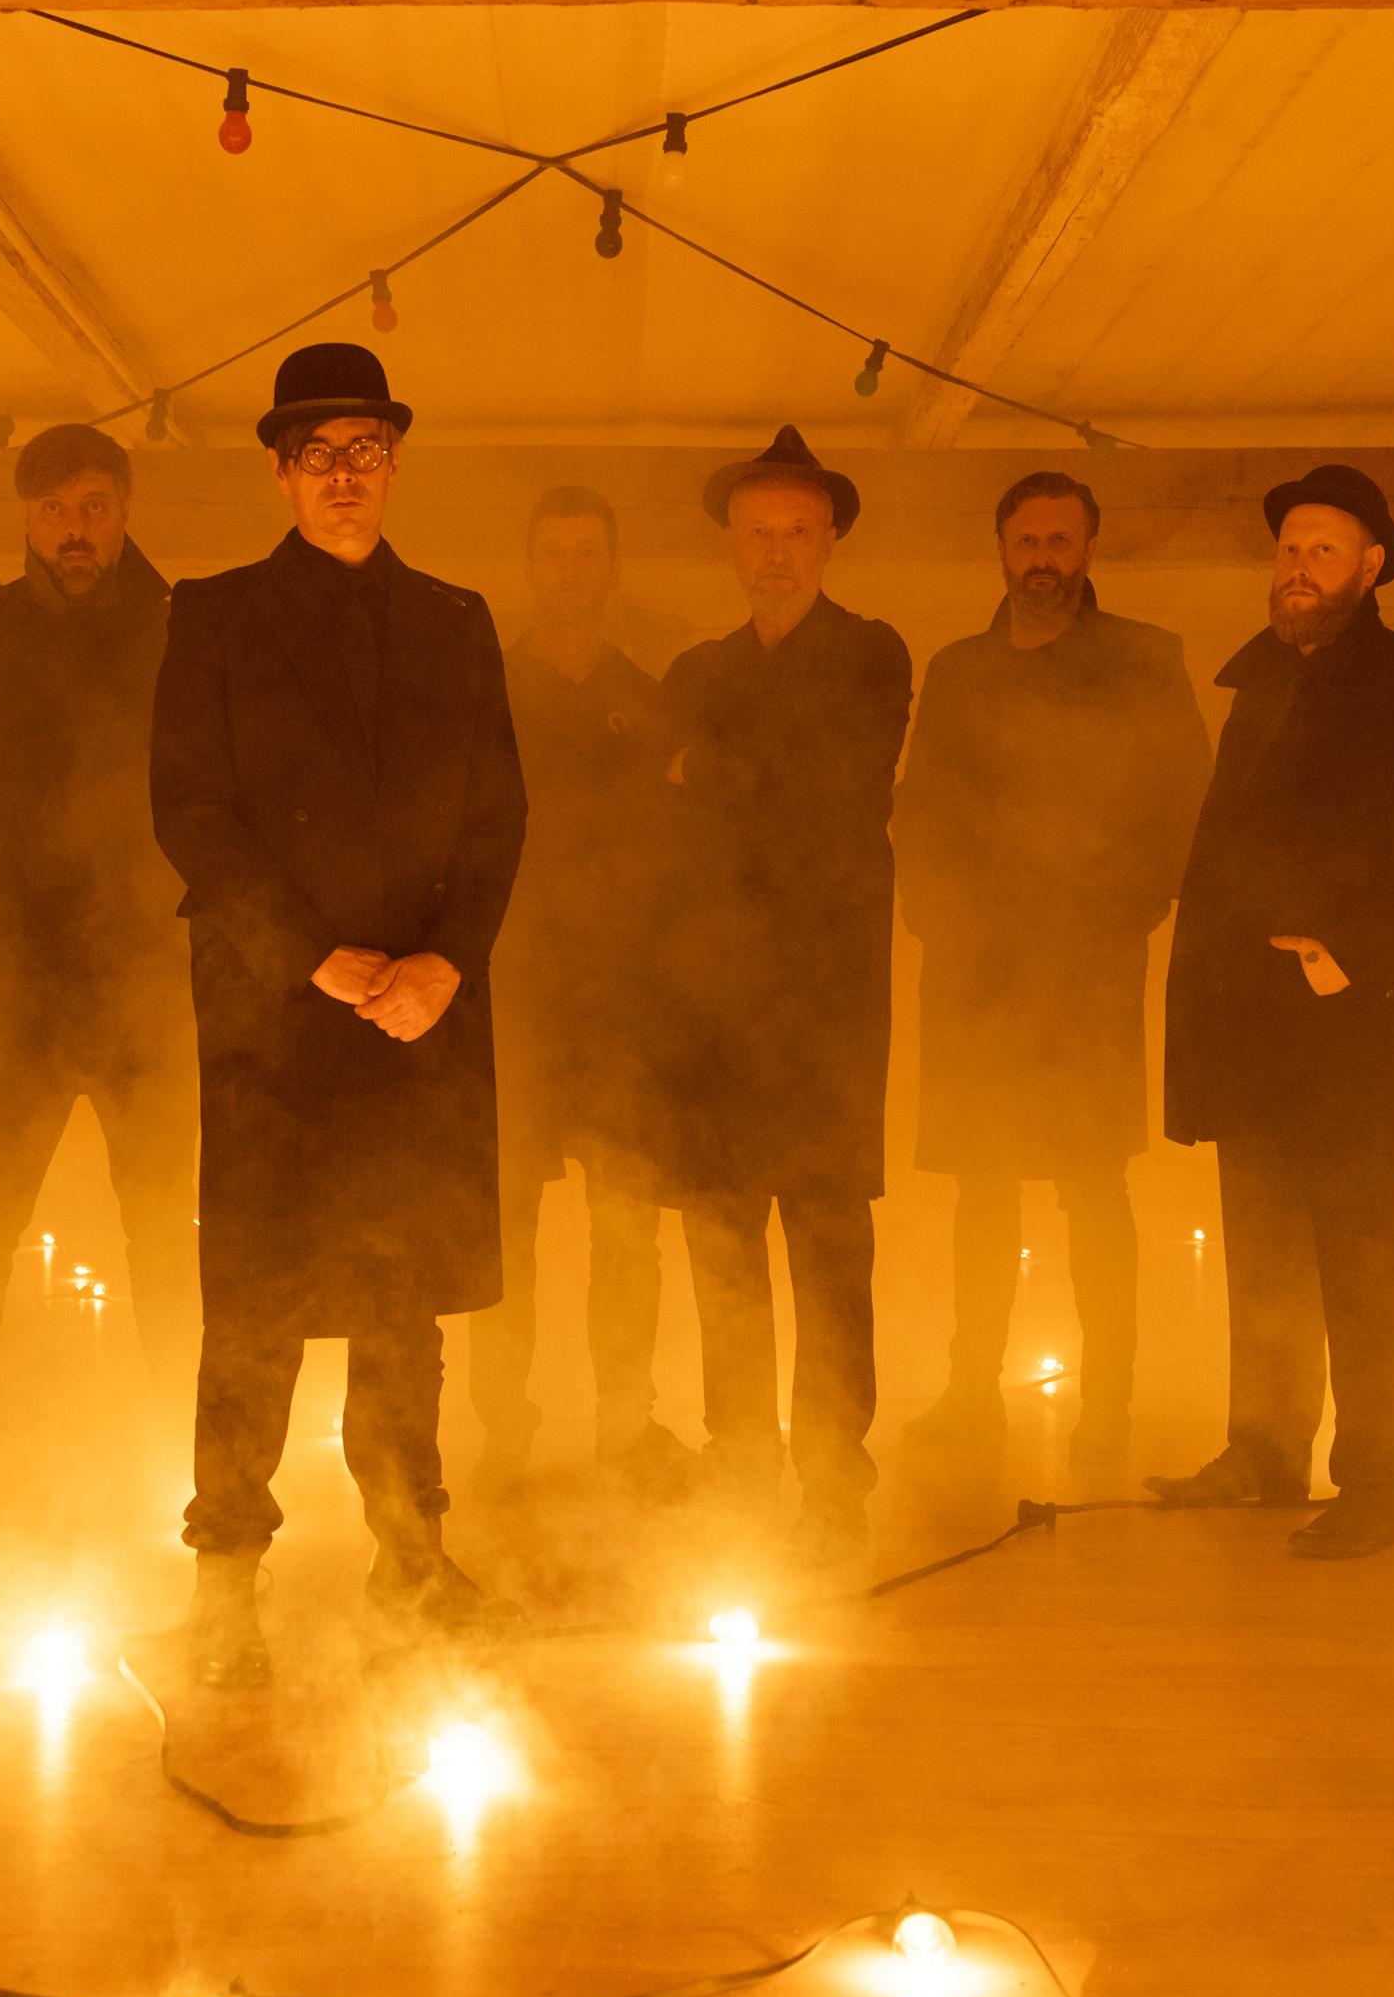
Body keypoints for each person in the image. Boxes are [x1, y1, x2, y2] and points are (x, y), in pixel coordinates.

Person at [149, 343, 529, 1689]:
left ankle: (411, 1557)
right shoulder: (215, 615)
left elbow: (495, 816)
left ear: (393, 462)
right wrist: (310, 957)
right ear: (279, 472)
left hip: (419, 1011)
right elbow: (190, 810)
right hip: (273, 1014)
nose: (343, 474)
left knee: (400, 1301)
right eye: (317, 454)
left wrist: (446, 964)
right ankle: (222, 1589)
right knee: (253, 1304)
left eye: (364, 450)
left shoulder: (453, 619)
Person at [1146, 464, 1394, 1560]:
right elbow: (1223, 858)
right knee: (1263, 1255)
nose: (1299, 567)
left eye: (1323, 550)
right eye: (1290, 549)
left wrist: (1352, 959)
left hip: (1344, 1021)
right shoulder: (1256, 684)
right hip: (1244, 1018)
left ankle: (1378, 1485)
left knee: (1362, 1259)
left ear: (1371, 566)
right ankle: (1262, 1453)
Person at [0, 424, 195, 1513]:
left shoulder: (180, 632)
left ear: (123, 513)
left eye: (95, 508)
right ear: (26, 517)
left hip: (148, 986)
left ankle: (203, 1477)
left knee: (166, 1232)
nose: (76, 531)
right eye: (56, 511)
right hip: (13, 984)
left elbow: (222, 800)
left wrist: (207, 942)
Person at [896, 471, 1209, 1489]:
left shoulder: (1142, 661)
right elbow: (921, 807)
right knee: (981, 1191)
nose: (1042, 558)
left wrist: (1127, 908)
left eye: (1058, 540)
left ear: (1087, 548)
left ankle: (1107, 1404)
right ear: (1001, 549)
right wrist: (935, 914)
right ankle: (968, 1393)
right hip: (976, 968)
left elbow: (1182, 803)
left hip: (1085, 968)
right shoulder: (957, 670)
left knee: (1092, 1187)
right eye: (1026, 540)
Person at [655, 427, 913, 1568]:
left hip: (825, 1015)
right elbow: (681, 823)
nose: (776, 552)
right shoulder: (695, 673)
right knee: (721, 1251)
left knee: (826, 1249)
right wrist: (739, 783)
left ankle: (832, 1477)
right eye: (758, 532)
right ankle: (741, 1465)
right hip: (709, 1008)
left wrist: (710, 772)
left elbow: (837, 793)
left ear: (829, 541)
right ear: (730, 544)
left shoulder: (871, 655)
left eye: (796, 532)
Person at [465, 484, 690, 1493]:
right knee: (503, 1230)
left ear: (611, 570)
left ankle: (625, 1427)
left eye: (585, 552)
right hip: (510, 1000)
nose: (568, 570)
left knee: (627, 1232)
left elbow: (676, 858)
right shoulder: (482, 694)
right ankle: (500, 1430)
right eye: (551, 552)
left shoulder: (648, 699)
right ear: (529, 568)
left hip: (620, 1007)